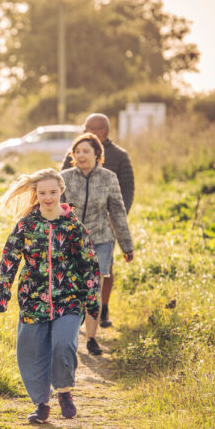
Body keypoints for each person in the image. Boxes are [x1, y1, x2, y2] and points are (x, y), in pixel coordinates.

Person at [0, 168, 100, 424]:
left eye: (53, 192)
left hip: (69, 298)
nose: (48, 197)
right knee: (31, 351)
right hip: (33, 299)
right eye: (42, 192)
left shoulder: (72, 225)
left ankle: (64, 393)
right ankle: (41, 404)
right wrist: (2, 294)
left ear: (61, 191)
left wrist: (92, 300)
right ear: (36, 194)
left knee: (64, 344)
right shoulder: (27, 225)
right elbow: (9, 258)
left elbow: (89, 262)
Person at [61, 133, 134, 356]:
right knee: (72, 289)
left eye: (86, 151)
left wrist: (126, 245)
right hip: (71, 242)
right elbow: (53, 208)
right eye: (77, 151)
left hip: (101, 240)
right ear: (73, 156)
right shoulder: (64, 177)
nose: (81, 155)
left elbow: (118, 213)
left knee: (93, 289)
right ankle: (71, 336)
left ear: (97, 154)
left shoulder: (109, 178)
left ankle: (91, 338)